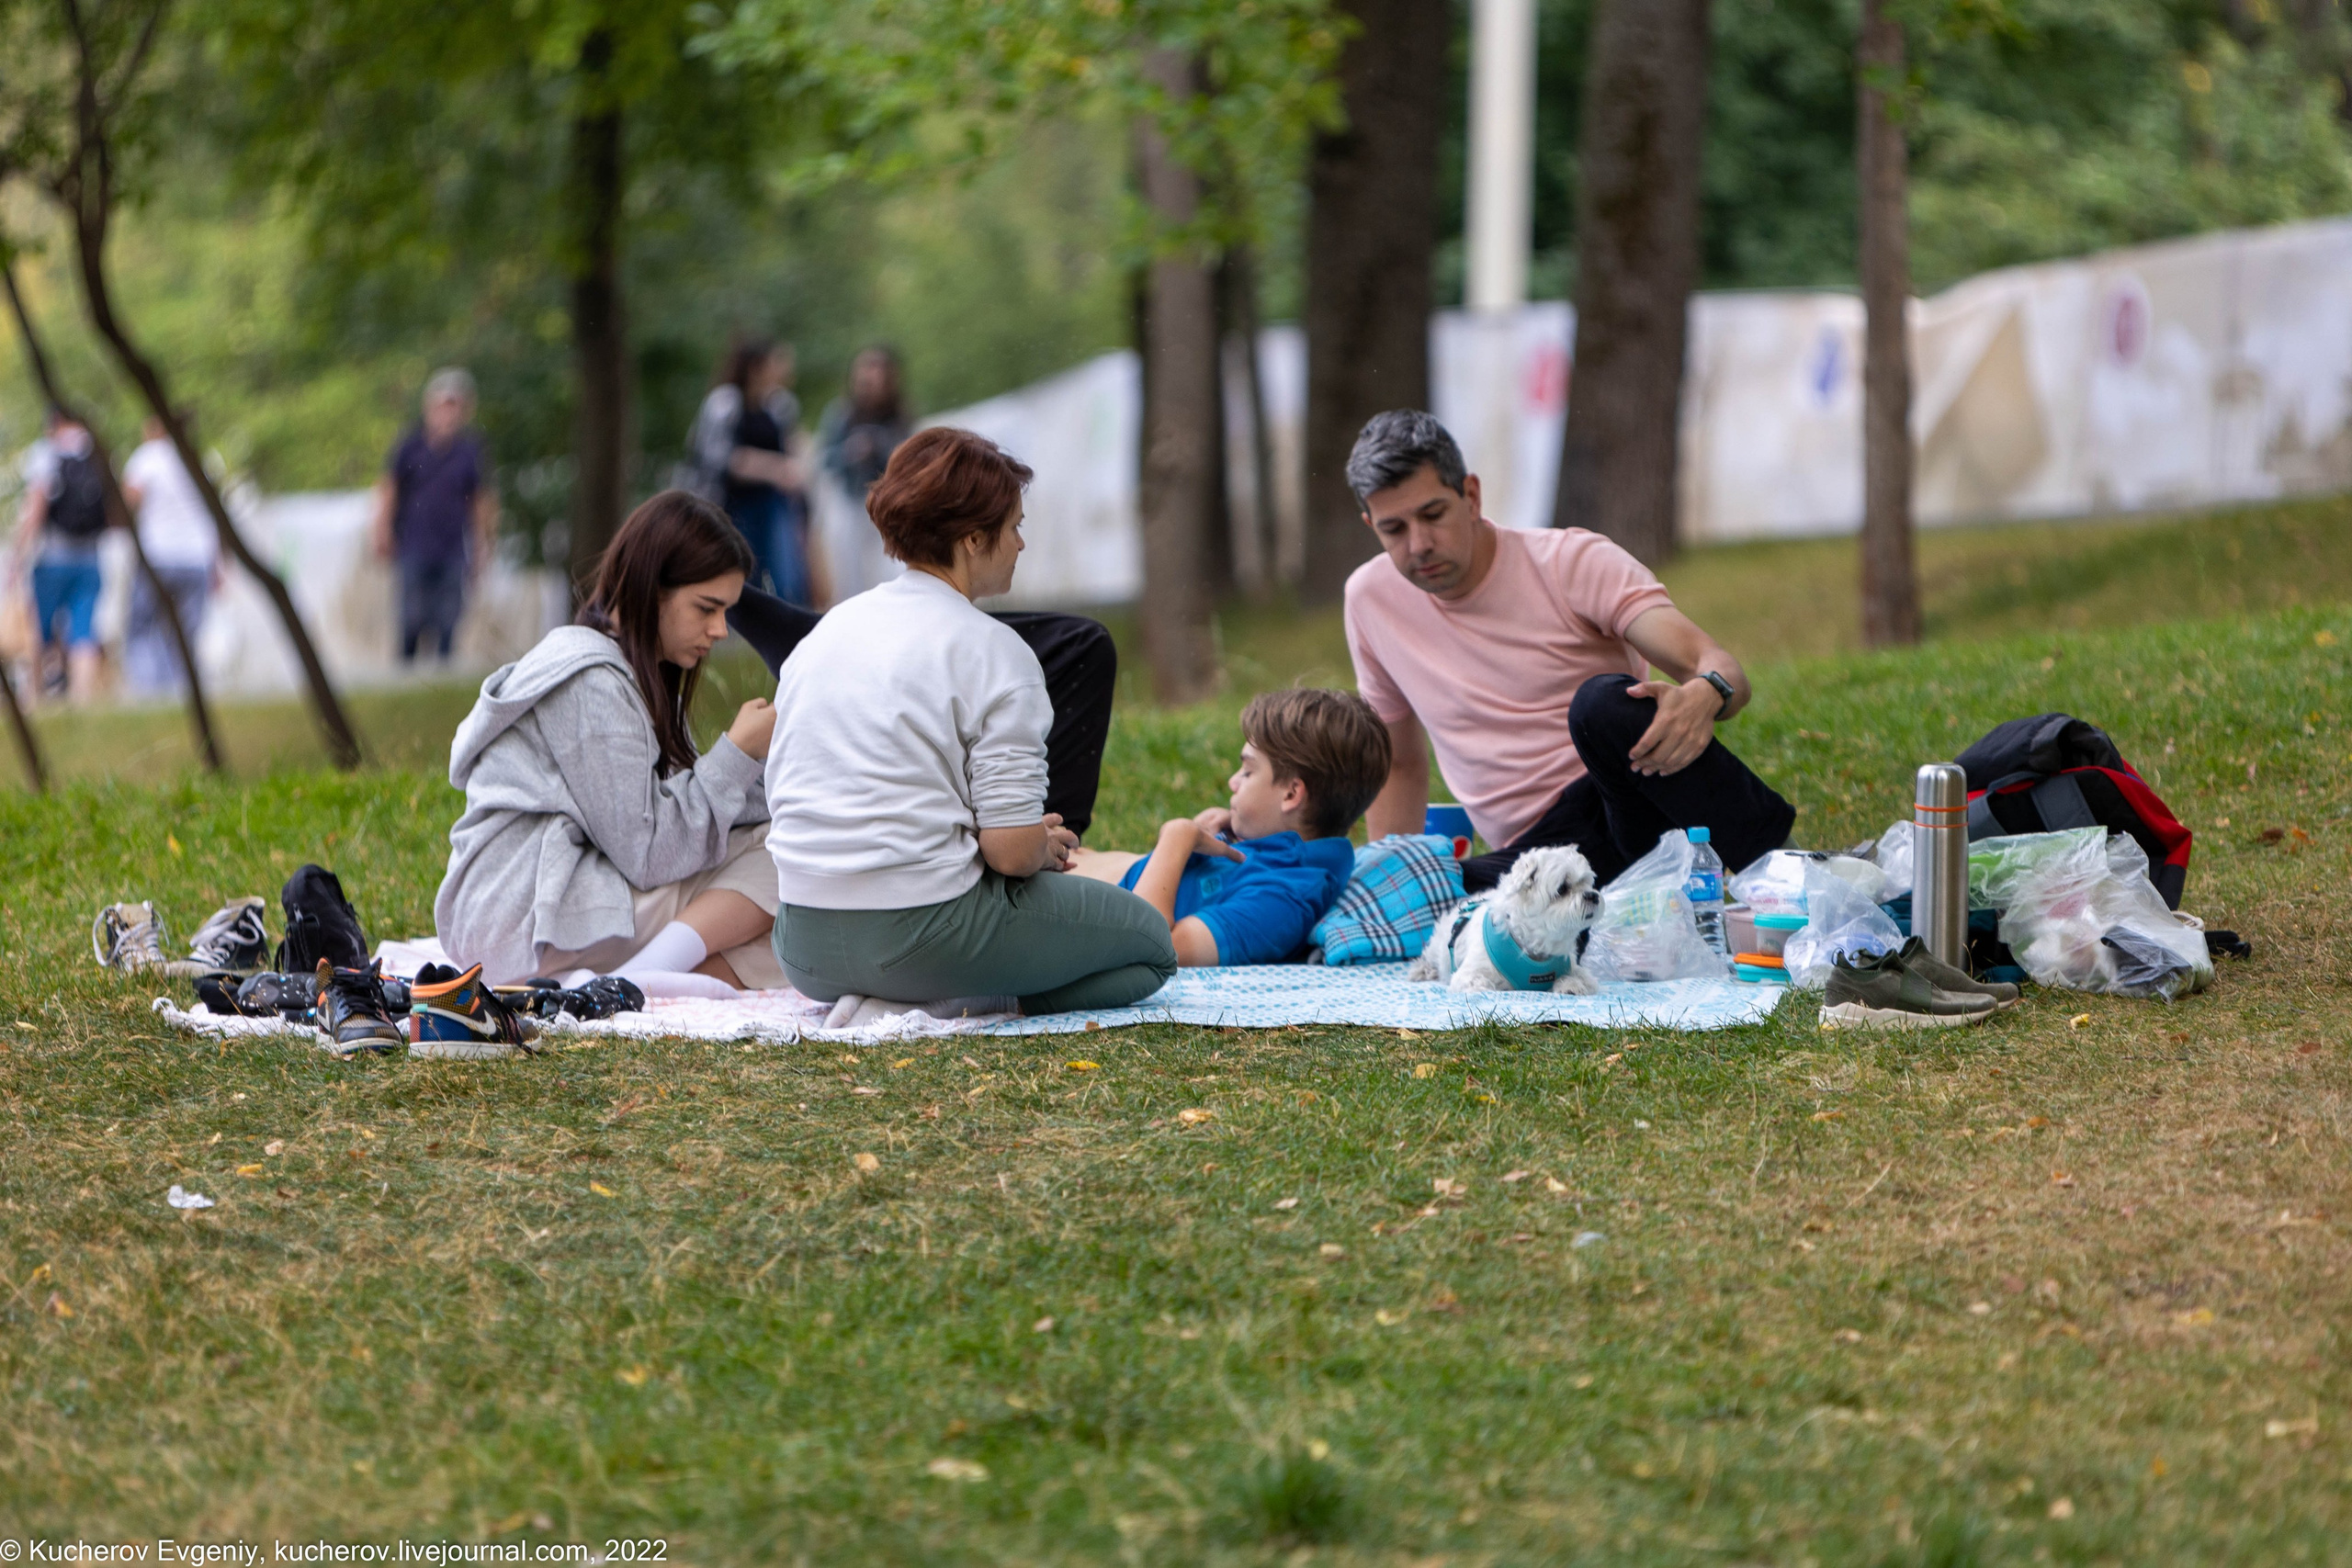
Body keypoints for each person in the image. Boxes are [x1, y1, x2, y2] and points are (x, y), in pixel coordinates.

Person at [763, 426, 1176, 1021]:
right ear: (975, 538)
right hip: (920, 933)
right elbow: (1009, 853)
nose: (1021, 544)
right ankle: (950, 1003)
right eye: (1014, 527)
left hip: (803, 947)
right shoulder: (994, 650)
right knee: (1151, 949)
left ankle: (899, 994)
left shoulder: (827, 632)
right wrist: (1043, 843)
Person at [1342, 410, 1795, 893]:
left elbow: (1719, 668)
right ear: (1372, 526)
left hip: (1628, 804)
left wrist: (1706, 694)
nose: (1420, 544)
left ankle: (1785, 875)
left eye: (1433, 515)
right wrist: (1394, 894)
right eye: (1395, 529)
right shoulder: (1370, 599)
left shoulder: (1569, 562)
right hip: (1532, 858)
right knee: (1427, 891)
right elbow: (1399, 763)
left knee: (1602, 705)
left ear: (1471, 496)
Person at [435, 491, 783, 992]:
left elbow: (678, 812)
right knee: (787, 853)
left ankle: (659, 976)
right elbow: (651, 853)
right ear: (649, 589)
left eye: (725, 611)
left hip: (550, 907)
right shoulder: (592, 684)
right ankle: (640, 979)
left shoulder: (634, 672)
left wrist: (784, 778)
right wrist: (737, 754)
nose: (721, 630)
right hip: (520, 919)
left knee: (796, 901)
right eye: (706, 608)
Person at [1070, 689, 1390, 966]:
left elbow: (1143, 946)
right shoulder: (1273, 848)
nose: (1233, 781)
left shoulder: (1279, 903)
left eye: (1248, 772)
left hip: (1053, 913)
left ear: (1292, 794)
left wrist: (1178, 837)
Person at [371, 367, 496, 662]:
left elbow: (481, 501)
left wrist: (483, 545)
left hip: (453, 547)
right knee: (410, 618)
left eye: (455, 406)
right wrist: (381, 530)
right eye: (443, 405)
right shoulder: (409, 446)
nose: (448, 413)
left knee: (448, 620)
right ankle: (404, 677)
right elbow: (389, 489)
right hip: (413, 544)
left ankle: (441, 678)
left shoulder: (470, 450)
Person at [689, 337, 820, 606]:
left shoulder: (780, 405)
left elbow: (793, 445)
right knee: (737, 568)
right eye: (777, 361)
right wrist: (773, 468)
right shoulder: (724, 403)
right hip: (733, 505)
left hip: (774, 504)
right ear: (757, 366)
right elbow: (714, 456)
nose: (784, 368)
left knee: (783, 573)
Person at [10, 408, 111, 705]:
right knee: (83, 630)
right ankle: (82, 700)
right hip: (91, 557)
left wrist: (19, 551)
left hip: (52, 558)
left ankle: (35, 696)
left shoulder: (47, 453)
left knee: (38, 627)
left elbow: (36, 506)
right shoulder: (96, 454)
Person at [120, 416, 220, 697]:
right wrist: (219, 564)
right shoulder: (202, 459)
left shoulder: (148, 457)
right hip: (197, 557)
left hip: (159, 555)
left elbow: (128, 501)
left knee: (141, 626)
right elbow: (215, 514)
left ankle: (149, 693)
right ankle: (181, 694)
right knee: (186, 633)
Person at [812, 344, 911, 602]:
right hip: (851, 501)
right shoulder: (841, 415)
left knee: (894, 569)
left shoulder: (900, 417)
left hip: (888, 504)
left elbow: (910, 458)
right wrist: (851, 452)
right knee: (849, 575)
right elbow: (825, 460)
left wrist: (879, 447)